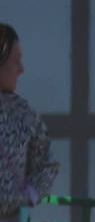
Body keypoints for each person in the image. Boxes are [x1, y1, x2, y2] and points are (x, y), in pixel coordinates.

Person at [0, 23, 56, 211]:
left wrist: (30, 194)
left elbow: (47, 163)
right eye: (16, 60)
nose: (21, 69)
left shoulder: (23, 113)